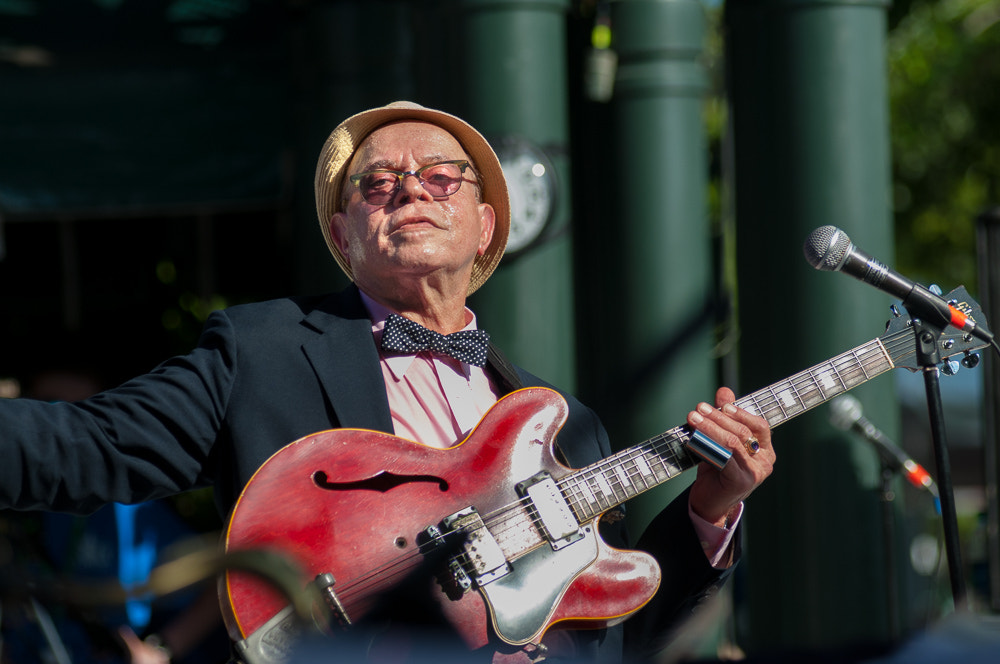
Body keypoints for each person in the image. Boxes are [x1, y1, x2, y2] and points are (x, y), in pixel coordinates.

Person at [0, 101, 775, 663]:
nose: (409, 189)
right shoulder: (264, 351)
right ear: (342, 234)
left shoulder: (570, 426)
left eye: (442, 177)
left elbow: (616, 641)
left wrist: (711, 509)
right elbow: (83, 446)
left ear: (484, 227)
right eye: (376, 184)